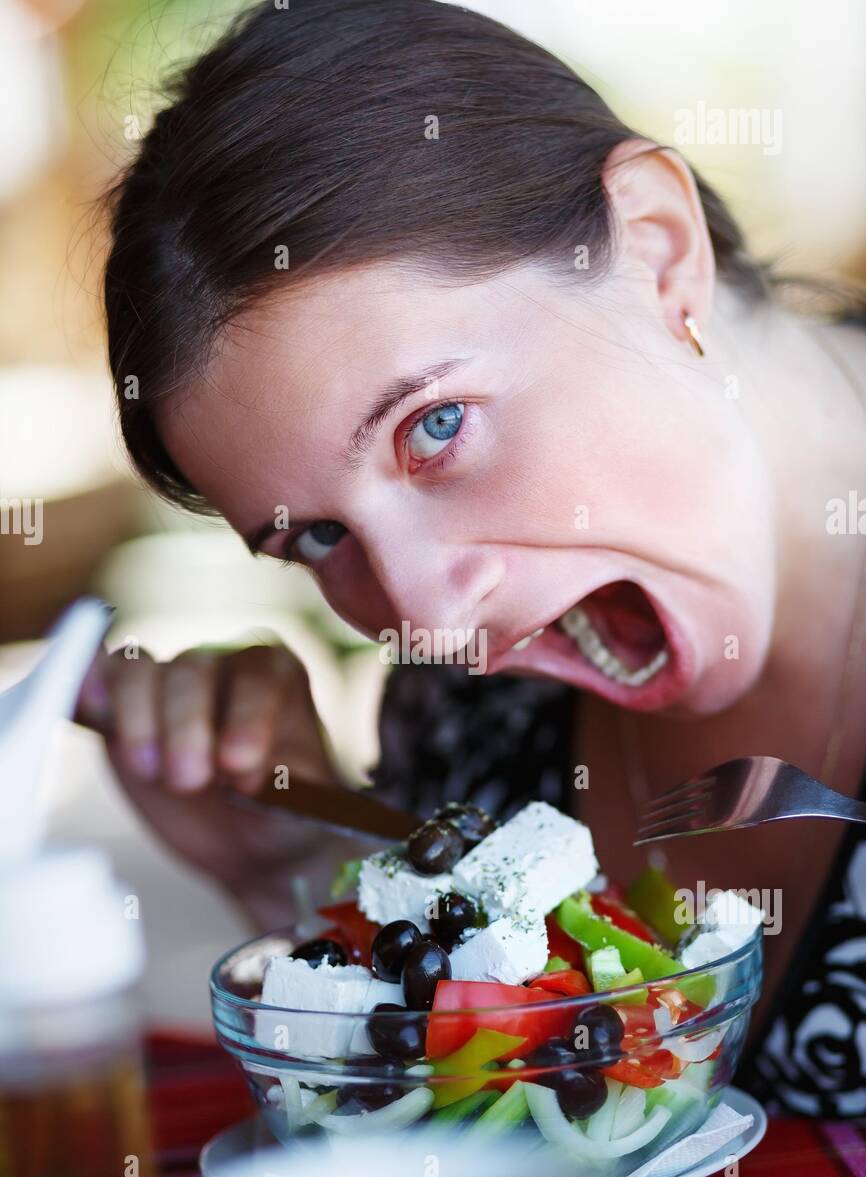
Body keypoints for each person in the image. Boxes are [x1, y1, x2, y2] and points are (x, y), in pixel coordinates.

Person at [79, 0, 866, 1115]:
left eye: (435, 426)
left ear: (653, 247)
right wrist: (291, 868)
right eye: (316, 535)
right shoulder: (455, 722)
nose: (427, 614)